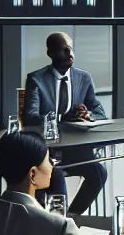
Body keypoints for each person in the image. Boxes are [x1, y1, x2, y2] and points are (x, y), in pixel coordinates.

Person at [22, 32, 109, 214]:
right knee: (56, 177)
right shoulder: (36, 79)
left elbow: (100, 113)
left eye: (71, 49)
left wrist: (87, 114)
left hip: (76, 149)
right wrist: (61, 118)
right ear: (50, 53)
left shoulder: (83, 78)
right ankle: (52, 221)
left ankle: (71, 217)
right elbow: (30, 116)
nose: (70, 53)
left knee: (99, 172)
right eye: (64, 49)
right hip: (48, 152)